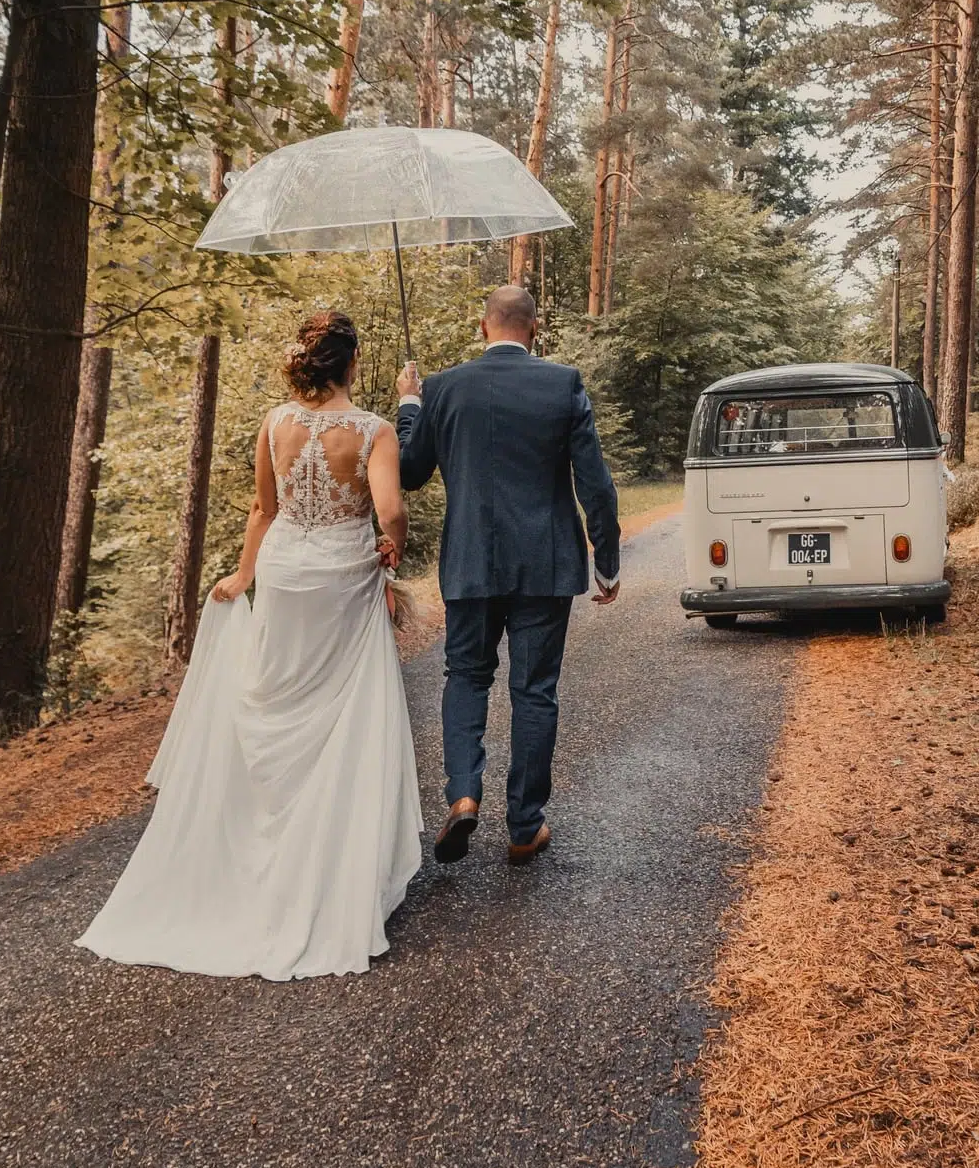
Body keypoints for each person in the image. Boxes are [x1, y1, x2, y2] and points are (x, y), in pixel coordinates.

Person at [78, 311, 424, 979]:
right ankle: (333, 863)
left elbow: (264, 509)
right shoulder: (375, 431)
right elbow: (392, 510)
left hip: (286, 573)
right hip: (343, 580)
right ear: (352, 363)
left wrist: (243, 577)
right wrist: (394, 547)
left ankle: (263, 846)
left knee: (278, 700)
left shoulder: (275, 422)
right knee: (345, 713)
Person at [395, 285, 621, 866]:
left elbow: (410, 472)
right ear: (535, 329)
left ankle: (464, 795)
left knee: (466, 677)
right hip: (545, 564)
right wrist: (607, 556)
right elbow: (594, 480)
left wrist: (410, 406)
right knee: (534, 690)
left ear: (483, 326)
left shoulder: (443, 387)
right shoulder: (563, 384)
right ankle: (524, 825)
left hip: (470, 560)